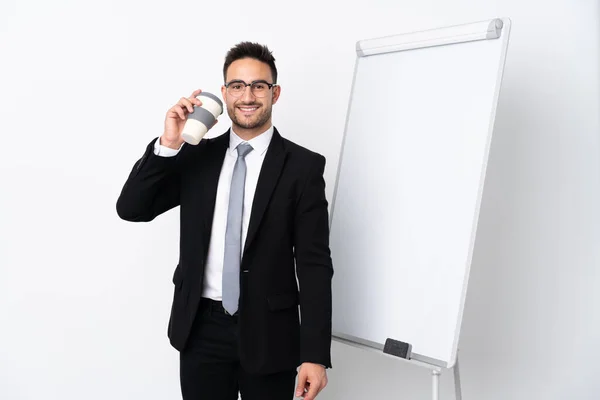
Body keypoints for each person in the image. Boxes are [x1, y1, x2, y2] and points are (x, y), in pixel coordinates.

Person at [116, 41, 333, 400]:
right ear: (224, 94)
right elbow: (132, 208)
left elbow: (313, 263)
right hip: (201, 327)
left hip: (270, 332)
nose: (247, 96)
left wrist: (315, 354)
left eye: (258, 85)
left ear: (274, 93)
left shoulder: (303, 167)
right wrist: (169, 143)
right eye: (237, 86)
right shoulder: (196, 157)